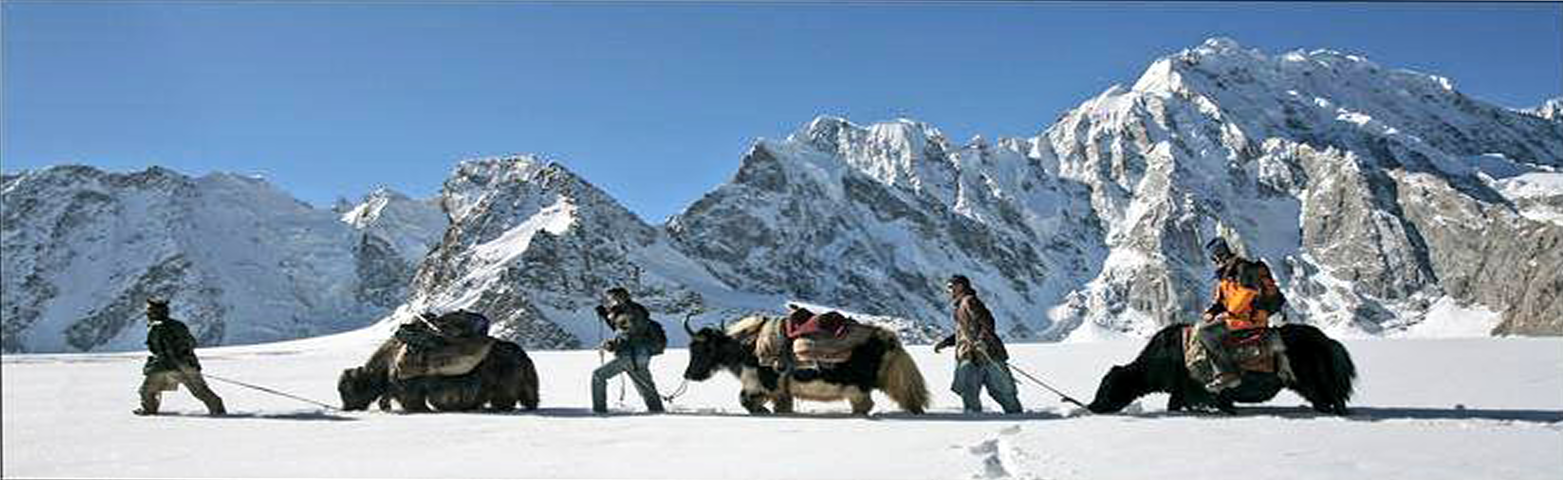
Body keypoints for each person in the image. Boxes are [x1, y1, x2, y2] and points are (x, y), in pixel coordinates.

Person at [1196, 237, 1284, 392]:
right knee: (1204, 327)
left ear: (1220, 255)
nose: (1215, 261)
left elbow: (1246, 293)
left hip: (1250, 319)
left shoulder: (1243, 268)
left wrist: (1229, 313)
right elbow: (1221, 301)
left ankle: (1226, 373)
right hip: (1237, 317)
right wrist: (1211, 312)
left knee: (1206, 333)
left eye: (1215, 257)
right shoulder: (1226, 275)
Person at [934, 275, 1022, 414]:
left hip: (987, 355)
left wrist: (982, 340)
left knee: (999, 392)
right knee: (970, 390)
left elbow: (988, 322)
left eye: (951, 287)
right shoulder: (961, 305)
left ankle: (1018, 419)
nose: (949, 291)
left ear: (960, 286)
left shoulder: (969, 301)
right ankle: (976, 421)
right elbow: (964, 332)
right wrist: (947, 342)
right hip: (972, 355)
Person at [134, 298, 226, 416]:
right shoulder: (173, 325)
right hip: (171, 365)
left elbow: (185, 345)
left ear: (157, 312)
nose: (147, 313)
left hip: (177, 365)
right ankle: (218, 411)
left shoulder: (162, 327)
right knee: (200, 392)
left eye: (149, 311)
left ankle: (149, 410)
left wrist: (178, 358)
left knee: (148, 391)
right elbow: (191, 343)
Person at [590, 287, 665, 414]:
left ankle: (599, 410)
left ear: (619, 298)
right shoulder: (633, 312)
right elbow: (624, 330)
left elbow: (629, 334)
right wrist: (607, 316)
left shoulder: (629, 312)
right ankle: (657, 410)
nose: (609, 302)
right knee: (645, 387)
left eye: (611, 299)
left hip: (630, 356)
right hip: (641, 355)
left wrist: (613, 344)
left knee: (598, 375)